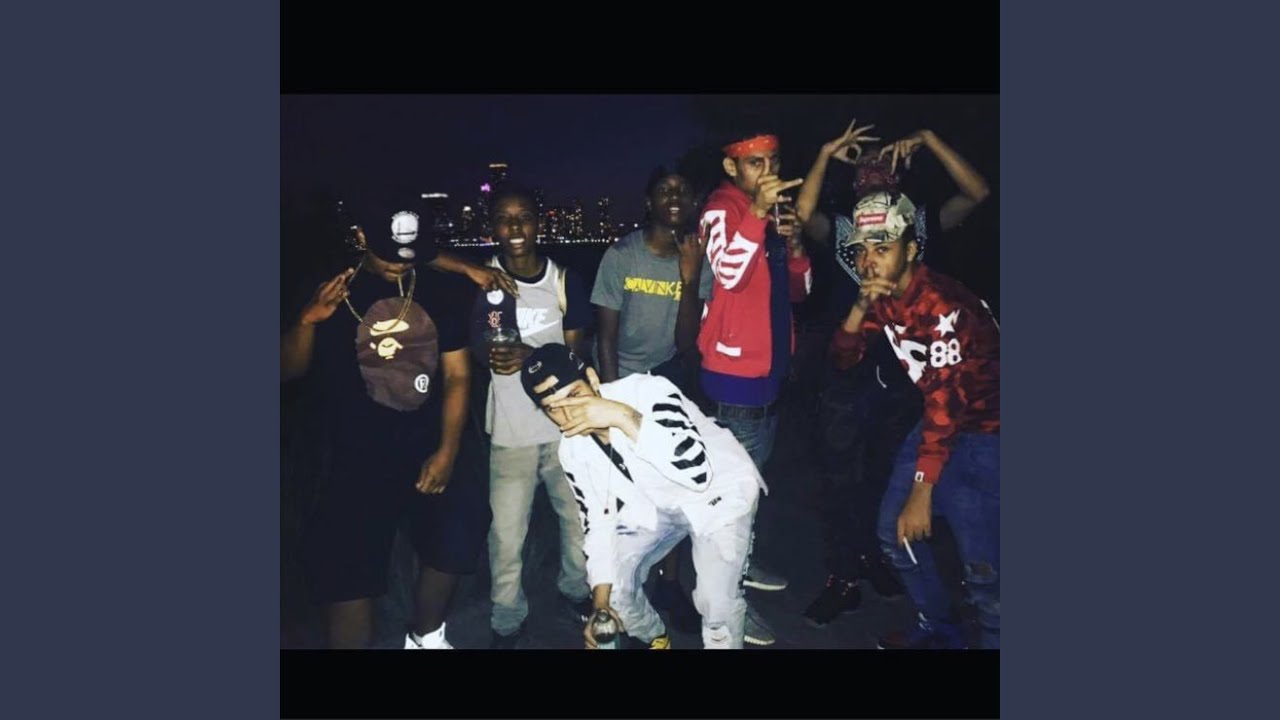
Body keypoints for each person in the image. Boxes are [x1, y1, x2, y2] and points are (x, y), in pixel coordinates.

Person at [281, 199, 490, 649]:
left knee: (461, 525)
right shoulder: (327, 284)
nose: (400, 263)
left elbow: (457, 375)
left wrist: (447, 453)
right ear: (360, 237)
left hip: (425, 445)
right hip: (350, 454)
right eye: (389, 253)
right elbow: (288, 369)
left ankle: (425, 636)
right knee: (346, 571)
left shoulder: (437, 288)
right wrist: (307, 321)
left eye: (410, 253)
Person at [828, 191, 1000, 650]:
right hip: (942, 422)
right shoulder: (885, 295)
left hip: (989, 431)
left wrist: (922, 492)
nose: (868, 261)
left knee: (983, 567)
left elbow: (946, 402)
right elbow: (843, 357)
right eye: (861, 250)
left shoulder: (940, 304)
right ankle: (939, 626)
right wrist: (860, 306)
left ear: (910, 249)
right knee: (894, 534)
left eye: (882, 248)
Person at [520, 343, 766, 649]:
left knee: (717, 607)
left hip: (719, 494)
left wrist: (622, 416)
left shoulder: (648, 392)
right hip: (654, 503)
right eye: (553, 408)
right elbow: (597, 522)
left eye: (574, 395)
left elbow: (697, 472)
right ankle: (656, 640)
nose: (569, 412)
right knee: (612, 593)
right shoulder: (572, 449)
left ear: (593, 379)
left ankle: (729, 613)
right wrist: (600, 605)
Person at [696, 129, 813, 645]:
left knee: (747, 492)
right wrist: (759, 214)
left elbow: (800, 292)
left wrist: (796, 245)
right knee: (730, 504)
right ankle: (728, 608)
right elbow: (728, 274)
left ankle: (740, 562)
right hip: (734, 379)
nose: (767, 171)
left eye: (772, 161)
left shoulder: (766, 212)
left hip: (770, 375)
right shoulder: (722, 209)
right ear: (731, 168)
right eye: (754, 163)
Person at [590, 168, 714, 634]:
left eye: (682, 189)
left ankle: (669, 583)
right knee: (623, 492)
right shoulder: (622, 255)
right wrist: (610, 405)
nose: (674, 197)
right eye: (665, 190)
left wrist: (689, 277)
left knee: (672, 483)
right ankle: (616, 589)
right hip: (621, 376)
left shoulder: (697, 257)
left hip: (668, 378)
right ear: (649, 201)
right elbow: (605, 338)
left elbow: (685, 343)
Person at [471, 187, 595, 649]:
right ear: (492, 227)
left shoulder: (563, 280)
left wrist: (532, 356)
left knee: (578, 522)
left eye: (524, 216)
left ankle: (576, 591)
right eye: (504, 218)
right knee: (506, 535)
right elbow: (475, 347)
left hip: (566, 426)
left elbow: (577, 356)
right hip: (510, 432)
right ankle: (507, 617)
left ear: (538, 223)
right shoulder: (481, 281)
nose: (515, 227)